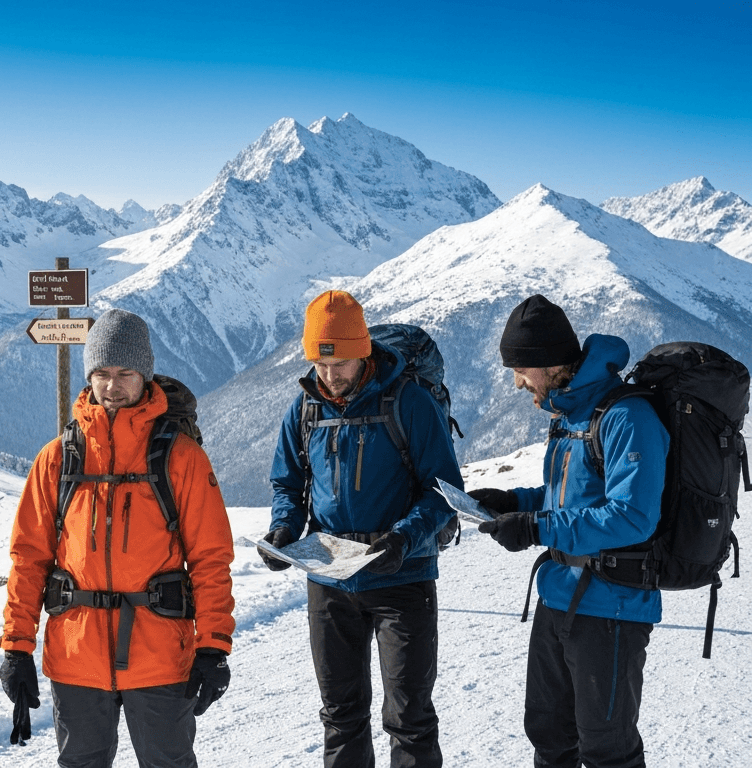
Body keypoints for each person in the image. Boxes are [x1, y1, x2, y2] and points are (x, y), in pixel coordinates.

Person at [0, 308, 236, 768]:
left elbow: (211, 559)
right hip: (75, 657)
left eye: (124, 373)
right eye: (102, 373)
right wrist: (16, 647)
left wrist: (213, 647)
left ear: (144, 374)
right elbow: (28, 559)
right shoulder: (57, 459)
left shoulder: (181, 459)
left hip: (161, 656)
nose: (112, 386)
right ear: (89, 375)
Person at [260, 290, 461, 768]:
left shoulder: (408, 402)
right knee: (340, 714)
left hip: (402, 578)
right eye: (321, 364)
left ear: (363, 350)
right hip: (329, 581)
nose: (330, 377)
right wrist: (283, 531)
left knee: (409, 716)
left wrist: (403, 539)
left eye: (341, 363)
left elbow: (444, 491)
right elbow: (287, 484)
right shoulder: (305, 409)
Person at [468, 294, 668, 768]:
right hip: (558, 595)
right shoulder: (570, 414)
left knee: (606, 747)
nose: (517, 383)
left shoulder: (626, 417)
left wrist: (536, 527)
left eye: (521, 370)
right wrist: (517, 501)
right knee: (549, 733)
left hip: (612, 604)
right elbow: (571, 497)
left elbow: (632, 516)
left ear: (551, 363)